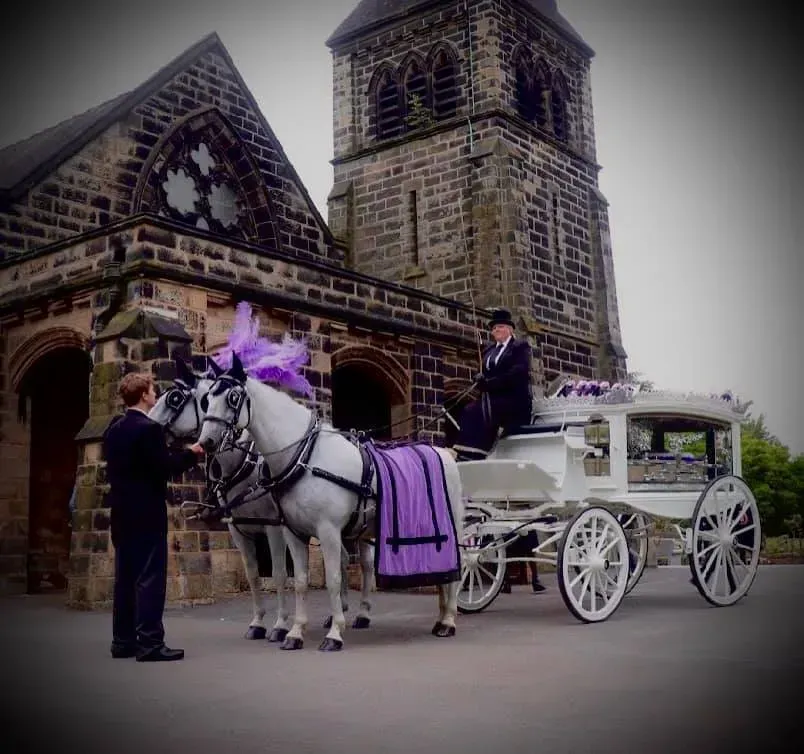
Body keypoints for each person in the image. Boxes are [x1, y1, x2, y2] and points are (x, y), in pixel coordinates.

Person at [103, 372, 204, 662]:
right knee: (150, 579)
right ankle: (150, 643)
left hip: (121, 514)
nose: (156, 394)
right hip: (147, 514)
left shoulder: (114, 428)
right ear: (144, 395)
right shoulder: (149, 429)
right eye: (153, 390)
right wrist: (192, 454)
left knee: (125, 579)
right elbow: (163, 467)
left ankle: (123, 642)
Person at [453, 308, 533, 462]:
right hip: (490, 397)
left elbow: (517, 373)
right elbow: (483, 370)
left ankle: (481, 449)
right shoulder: (489, 349)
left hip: (512, 399)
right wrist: (479, 378)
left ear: (510, 329)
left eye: (500, 326)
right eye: (494, 328)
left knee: (480, 411)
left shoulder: (520, 347)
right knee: (468, 409)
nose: (496, 330)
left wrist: (490, 383)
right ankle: (467, 449)